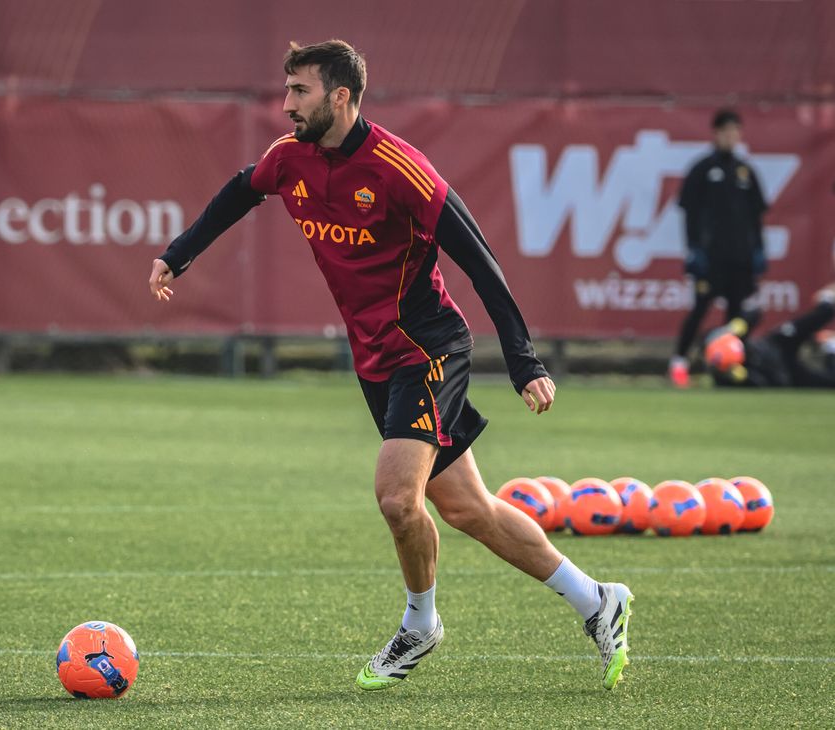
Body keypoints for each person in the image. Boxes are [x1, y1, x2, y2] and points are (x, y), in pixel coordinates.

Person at [148, 40, 633, 691]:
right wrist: (179, 254)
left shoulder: (400, 169)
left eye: (300, 91)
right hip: (376, 360)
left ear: (341, 96)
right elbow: (242, 190)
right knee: (469, 510)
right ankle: (598, 600)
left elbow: (480, 261)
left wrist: (524, 362)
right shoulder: (289, 158)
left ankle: (419, 623)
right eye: (287, 89)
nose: (286, 104)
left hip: (428, 349)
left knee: (397, 500)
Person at [670, 108, 769, 388]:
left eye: (735, 131)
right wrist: (694, 249)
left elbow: (756, 217)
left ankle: (730, 369)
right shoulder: (702, 170)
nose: (730, 137)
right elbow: (689, 213)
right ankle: (679, 363)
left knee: (737, 316)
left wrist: (758, 249)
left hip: (740, 259)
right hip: (711, 258)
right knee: (700, 309)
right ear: (715, 134)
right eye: (725, 131)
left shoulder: (745, 171)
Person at [705, 285, 835, 387]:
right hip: (785, 371)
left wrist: (739, 324)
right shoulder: (730, 378)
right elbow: (762, 384)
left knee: (818, 316)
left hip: (778, 342)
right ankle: (831, 351)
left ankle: (827, 302)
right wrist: (745, 378)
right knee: (826, 383)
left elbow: (755, 312)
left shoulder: (732, 337)